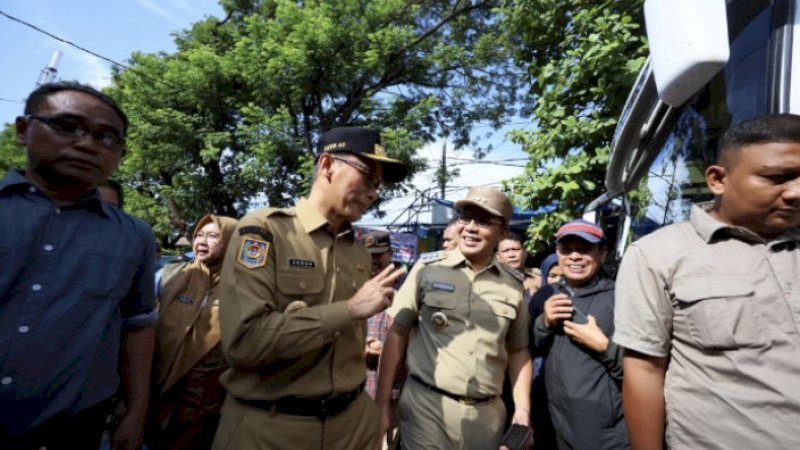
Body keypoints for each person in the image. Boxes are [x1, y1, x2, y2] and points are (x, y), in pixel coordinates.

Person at [212, 127, 409, 450]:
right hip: (274, 428)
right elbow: (244, 343)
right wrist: (348, 311)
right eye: (368, 177)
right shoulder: (264, 231)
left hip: (353, 423)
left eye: (379, 185)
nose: (375, 193)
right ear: (328, 165)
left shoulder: (358, 250)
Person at [614, 114, 800, 450]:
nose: (796, 193)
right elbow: (644, 370)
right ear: (717, 180)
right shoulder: (657, 255)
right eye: (778, 178)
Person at [0, 81, 157, 449]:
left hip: (69, 432)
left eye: (107, 137)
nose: (87, 144)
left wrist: (136, 410)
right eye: (67, 126)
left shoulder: (134, 236)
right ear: (24, 130)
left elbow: (137, 327)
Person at [377, 185, 532, 450]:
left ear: (503, 231)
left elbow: (518, 351)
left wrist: (523, 411)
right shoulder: (427, 269)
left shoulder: (513, 285)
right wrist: (381, 404)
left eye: (483, 221)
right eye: (465, 217)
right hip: (426, 408)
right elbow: (397, 333)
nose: (470, 227)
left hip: (487, 418)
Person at [531, 220, 628, 450]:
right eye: (567, 249)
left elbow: (645, 370)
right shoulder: (543, 296)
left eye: (585, 249)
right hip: (556, 426)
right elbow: (524, 352)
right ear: (558, 253)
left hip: (606, 434)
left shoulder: (621, 297)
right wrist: (543, 323)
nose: (575, 256)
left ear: (603, 253)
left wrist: (604, 346)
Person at [148, 214, 238, 449]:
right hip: (156, 392)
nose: (201, 241)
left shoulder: (245, 287)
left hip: (209, 404)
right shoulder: (170, 277)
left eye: (212, 235)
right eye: (199, 235)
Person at [361, 230, 406, 447]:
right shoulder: (356, 285)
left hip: (397, 390)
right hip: (361, 388)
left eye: (379, 254)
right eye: (369, 254)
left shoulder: (407, 286)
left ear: (390, 253)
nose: (374, 260)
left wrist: (387, 349)